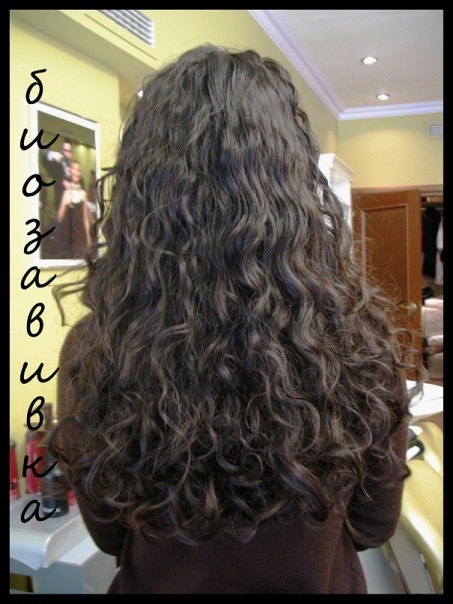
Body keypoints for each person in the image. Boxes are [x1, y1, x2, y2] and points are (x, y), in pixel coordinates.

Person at [49, 45, 422, 594]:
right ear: (293, 183)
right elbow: (373, 525)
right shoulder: (357, 337)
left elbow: (108, 534)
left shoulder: (96, 346)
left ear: (142, 189)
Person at [55, 160, 91, 259]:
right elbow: (59, 219)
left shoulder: (83, 194)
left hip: (81, 238)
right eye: (74, 169)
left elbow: (86, 219)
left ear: (80, 173)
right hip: (68, 238)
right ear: (70, 171)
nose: (76, 172)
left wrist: (89, 241)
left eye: (78, 170)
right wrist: (65, 201)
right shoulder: (66, 192)